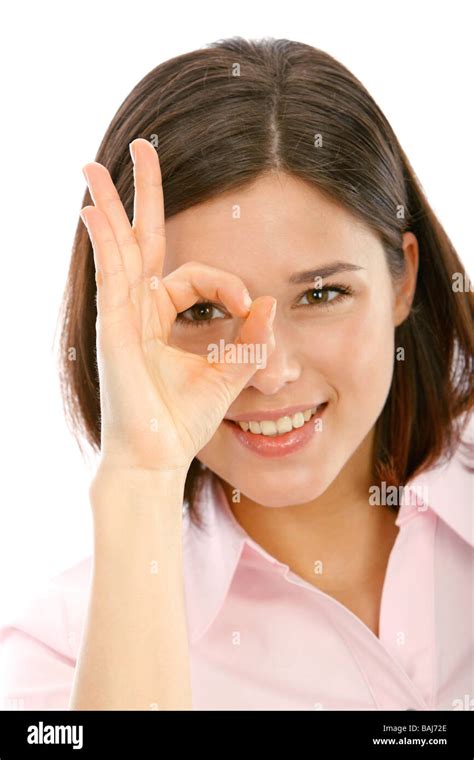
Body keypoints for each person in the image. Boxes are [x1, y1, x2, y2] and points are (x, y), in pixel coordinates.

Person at [0, 37, 472, 711]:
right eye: (200, 309)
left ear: (404, 280)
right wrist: (140, 477)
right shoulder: (63, 654)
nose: (270, 371)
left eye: (320, 295)